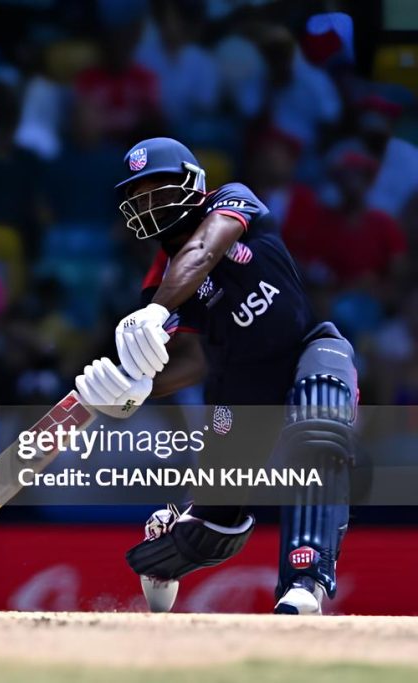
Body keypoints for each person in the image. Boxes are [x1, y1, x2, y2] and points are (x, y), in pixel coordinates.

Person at [73, 138, 358, 615]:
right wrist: (135, 388)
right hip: (239, 392)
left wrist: (159, 308)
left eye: (160, 189)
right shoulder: (158, 284)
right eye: (139, 197)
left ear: (192, 183)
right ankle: (163, 556)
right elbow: (190, 362)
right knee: (214, 521)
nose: (151, 204)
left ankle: (305, 582)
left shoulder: (232, 200)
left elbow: (204, 248)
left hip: (307, 348)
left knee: (320, 417)